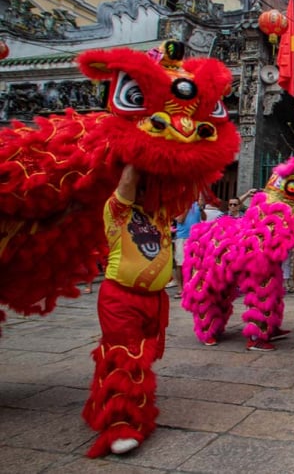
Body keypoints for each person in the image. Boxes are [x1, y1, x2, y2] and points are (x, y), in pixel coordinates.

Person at [82, 165, 172, 457]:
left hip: (154, 301)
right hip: (121, 298)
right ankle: (119, 425)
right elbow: (128, 179)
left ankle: (102, 406)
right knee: (126, 358)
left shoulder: (160, 214)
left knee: (140, 358)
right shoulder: (117, 209)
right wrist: (144, 147)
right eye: (147, 183)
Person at [172, 195, 206, 298]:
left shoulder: (197, 205)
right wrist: (186, 206)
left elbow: (204, 218)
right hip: (182, 237)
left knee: (195, 264)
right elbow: (180, 220)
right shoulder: (177, 205)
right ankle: (180, 289)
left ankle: (192, 288)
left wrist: (201, 210)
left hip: (195, 237)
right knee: (180, 264)